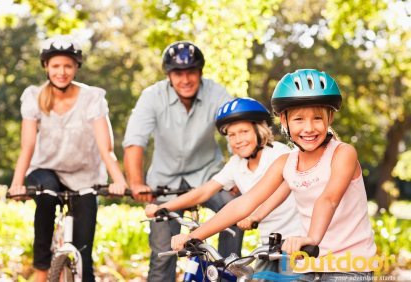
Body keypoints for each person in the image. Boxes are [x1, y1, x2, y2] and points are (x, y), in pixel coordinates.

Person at [171, 69, 376, 281]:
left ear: (330, 117)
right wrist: (194, 236)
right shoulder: (286, 163)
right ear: (284, 121)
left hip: (350, 265)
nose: (309, 128)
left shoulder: (343, 153)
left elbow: (329, 199)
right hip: (310, 263)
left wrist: (311, 237)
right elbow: (245, 203)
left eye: (317, 118)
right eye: (298, 119)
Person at [8, 35, 127, 282]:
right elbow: (27, 145)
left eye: (68, 66)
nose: (61, 72)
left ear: (76, 67)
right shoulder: (34, 96)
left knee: (84, 256)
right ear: (46, 67)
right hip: (45, 169)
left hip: (85, 175)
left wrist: (119, 181)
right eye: (55, 66)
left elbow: (106, 148)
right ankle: (42, 269)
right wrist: (17, 183)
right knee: (46, 195)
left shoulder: (92, 98)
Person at [122, 41, 243, 282]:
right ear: (169, 75)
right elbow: (135, 141)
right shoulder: (152, 96)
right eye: (178, 73)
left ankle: (226, 272)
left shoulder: (216, 93)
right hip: (165, 183)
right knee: (162, 257)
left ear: (200, 72)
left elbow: (236, 131)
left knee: (236, 211)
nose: (185, 79)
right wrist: (136, 183)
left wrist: (238, 175)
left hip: (209, 177)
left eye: (191, 72)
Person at [145, 97, 303, 275]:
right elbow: (203, 192)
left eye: (244, 131)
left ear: (260, 130)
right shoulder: (236, 164)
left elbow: (283, 188)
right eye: (232, 135)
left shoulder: (279, 154)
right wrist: (163, 207)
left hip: (298, 242)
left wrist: (255, 216)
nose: (238, 140)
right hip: (268, 245)